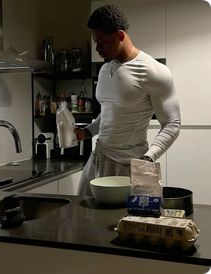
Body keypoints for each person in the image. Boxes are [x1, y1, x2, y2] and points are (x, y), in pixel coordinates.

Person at [75, 4, 181, 197]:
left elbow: (172, 124)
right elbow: (109, 111)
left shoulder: (154, 71)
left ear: (120, 35)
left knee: (139, 223)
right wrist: (87, 132)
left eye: (101, 41)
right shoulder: (105, 69)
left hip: (136, 162)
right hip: (99, 158)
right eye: (95, 41)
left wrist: (149, 158)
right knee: (83, 219)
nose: (97, 48)